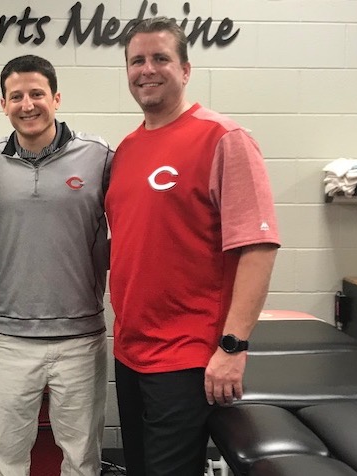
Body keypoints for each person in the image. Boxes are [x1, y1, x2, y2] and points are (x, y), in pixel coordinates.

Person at [106, 17, 281, 475]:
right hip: (130, 352)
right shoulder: (126, 149)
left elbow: (258, 248)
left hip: (187, 357)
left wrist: (232, 346)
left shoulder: (223, 138)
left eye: (160, 58)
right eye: (137, 60)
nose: (147, 69)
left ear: (185, 69)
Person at [0, 55, 113, 476]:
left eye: (37, 93)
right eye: (16, 96)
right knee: (5, 455)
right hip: (8, 339)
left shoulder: (99, 157)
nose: (27, 104)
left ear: (55, 98)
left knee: (81, 457)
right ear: (3, 104)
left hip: (79, 339)